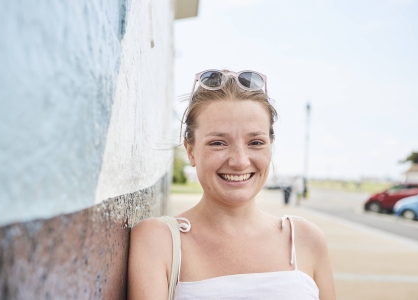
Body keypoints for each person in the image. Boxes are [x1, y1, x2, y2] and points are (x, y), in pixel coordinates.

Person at [128, 70, 336, 299]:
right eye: (218, 143)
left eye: (255, 142)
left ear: (271, 146)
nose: (239, 161)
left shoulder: (306, 239)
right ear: (190, 150)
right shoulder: (160, 240)